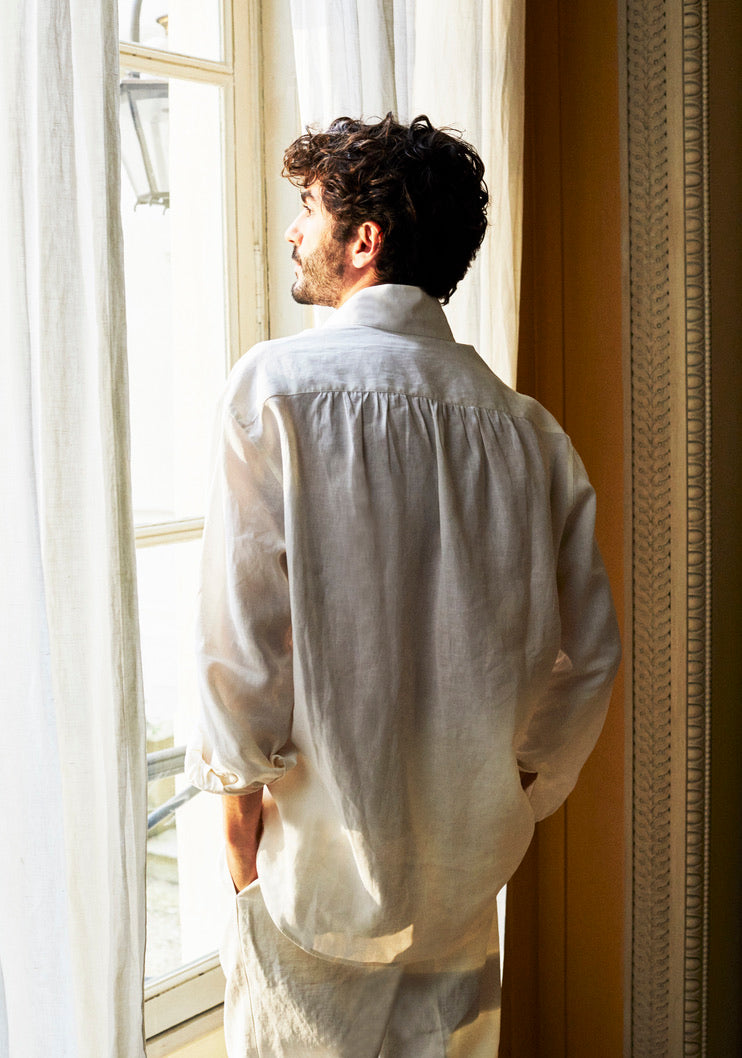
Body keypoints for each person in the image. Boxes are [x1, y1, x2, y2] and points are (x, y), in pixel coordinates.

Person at [185, 113, 621, 1058]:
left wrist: (237, 839)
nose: (295, 231)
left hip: (312, 884)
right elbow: (589, 652)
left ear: (364, 241)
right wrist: (514, 789)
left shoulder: (276, 390)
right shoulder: (525, 429)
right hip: (465, 886)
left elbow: (240, 637)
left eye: (309, 208)